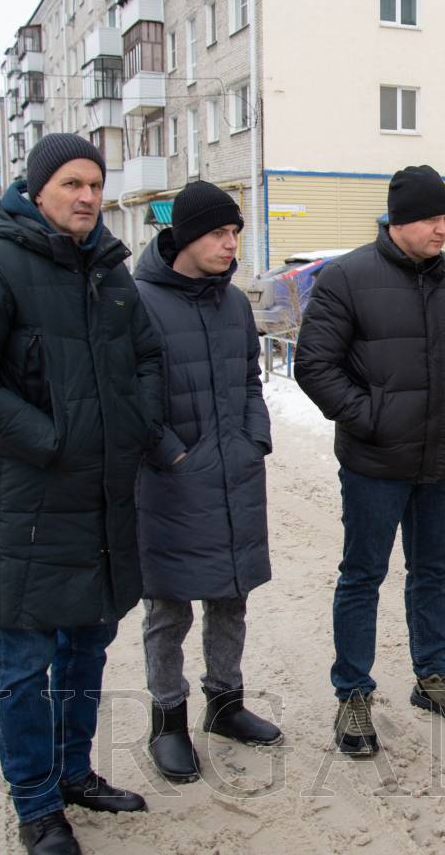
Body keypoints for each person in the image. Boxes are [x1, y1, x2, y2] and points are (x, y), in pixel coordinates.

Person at [0, 135, 162, 855]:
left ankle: (73, 772)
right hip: (32, 500)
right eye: (72, 183)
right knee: (27, 660)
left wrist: (131, 428)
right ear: (36, 190)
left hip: (102, 497)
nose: (89, 196)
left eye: (95, 183)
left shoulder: (111, 273)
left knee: (88, 644)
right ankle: (35, 803)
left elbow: (148, 359)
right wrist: (53, 438)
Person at [294, 165, 445, 757]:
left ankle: (434, 676)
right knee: (362, 576)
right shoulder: (347, 278)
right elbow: (314, 365)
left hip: (443, 458)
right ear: (401, 220)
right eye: (433, 218)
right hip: (374, 464)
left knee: (432, 572)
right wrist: (373, 417)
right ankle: (352, 694)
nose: (443, 228)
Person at [133, 181, 281, 784]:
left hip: (234, 472)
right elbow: (128, 395)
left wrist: (255, 438)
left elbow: (250, 377)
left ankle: (225, 705)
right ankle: (167, 724)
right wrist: (171, 456)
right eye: (220, 234)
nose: (231, 245)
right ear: (187, 238)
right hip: (170, 482)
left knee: (231, 597)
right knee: (167, 609)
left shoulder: (233, 303)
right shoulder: (137, 300)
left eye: (234, 234)